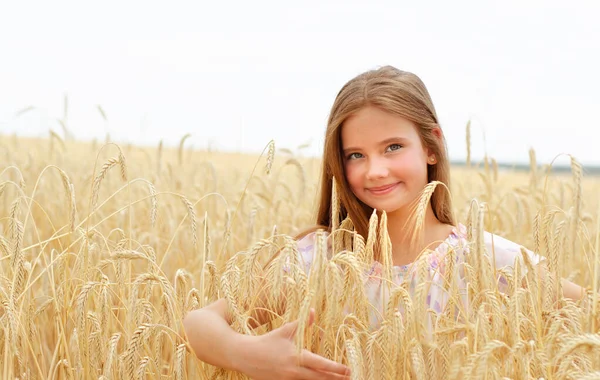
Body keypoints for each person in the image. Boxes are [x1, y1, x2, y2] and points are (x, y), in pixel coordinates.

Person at [183, 65, 585, 379]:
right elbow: (200, 323)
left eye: (393, 147)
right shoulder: (317, 261)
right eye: (355, 155)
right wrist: (249, 354)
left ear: (431, 145)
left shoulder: (486, 262)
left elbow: (587, 314)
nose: (375, 170)